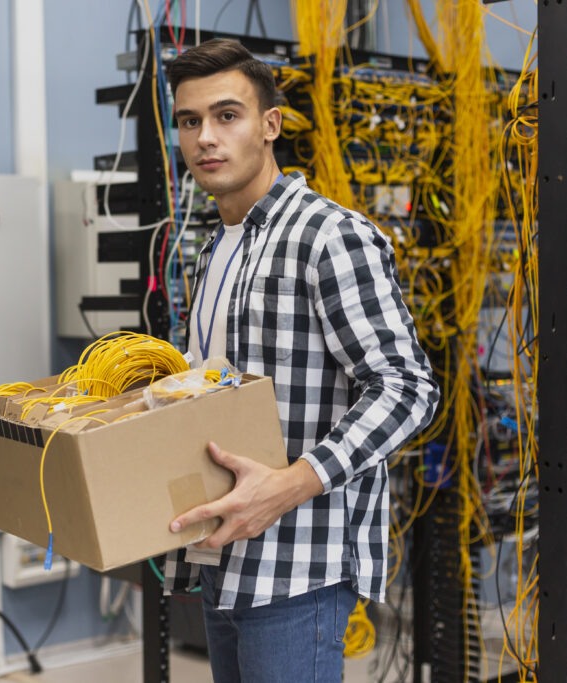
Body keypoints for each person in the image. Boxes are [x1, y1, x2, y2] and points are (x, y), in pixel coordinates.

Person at [162, 39, 440, 683]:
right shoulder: (215, 249)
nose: (206, 137)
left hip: (297, 565)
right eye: (189, 120)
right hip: (222, 552)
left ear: (270, 125)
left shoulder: (328, 235)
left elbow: (406, 389)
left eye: (227, 116)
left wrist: (287, 487)